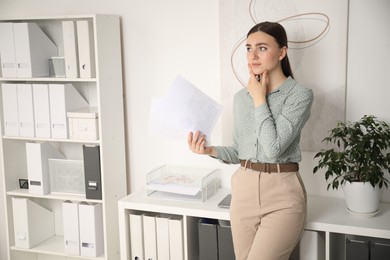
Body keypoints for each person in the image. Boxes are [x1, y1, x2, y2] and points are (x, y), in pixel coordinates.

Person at [188, 21, 314, 260]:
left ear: (282, 52)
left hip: (282, 196)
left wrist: (259, 98)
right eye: (248, 48)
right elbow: (240, 151)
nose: (252, 55)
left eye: (262, 48)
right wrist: (209, 150)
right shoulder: (240, 98)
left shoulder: (299, 95)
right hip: (243, 193)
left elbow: (273, 148)